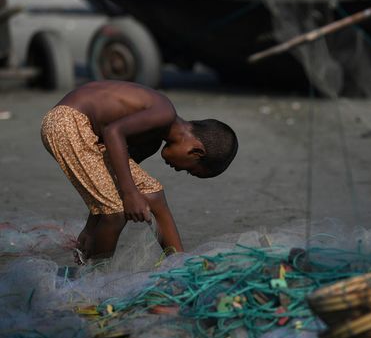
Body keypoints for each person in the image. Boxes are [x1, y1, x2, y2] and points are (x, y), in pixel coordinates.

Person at [41, 80, 238, 262]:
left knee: (153, 194)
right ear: (195, 151)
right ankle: (94, 282)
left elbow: (111, 181)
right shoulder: (164, 113)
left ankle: (179, 264)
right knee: (116, 213)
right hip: (66, 121)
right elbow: (113, 132)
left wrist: (91, 228)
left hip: (81, 129)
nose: (179, 170)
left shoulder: (150, 142)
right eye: (189, 170)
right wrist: (130, 194)